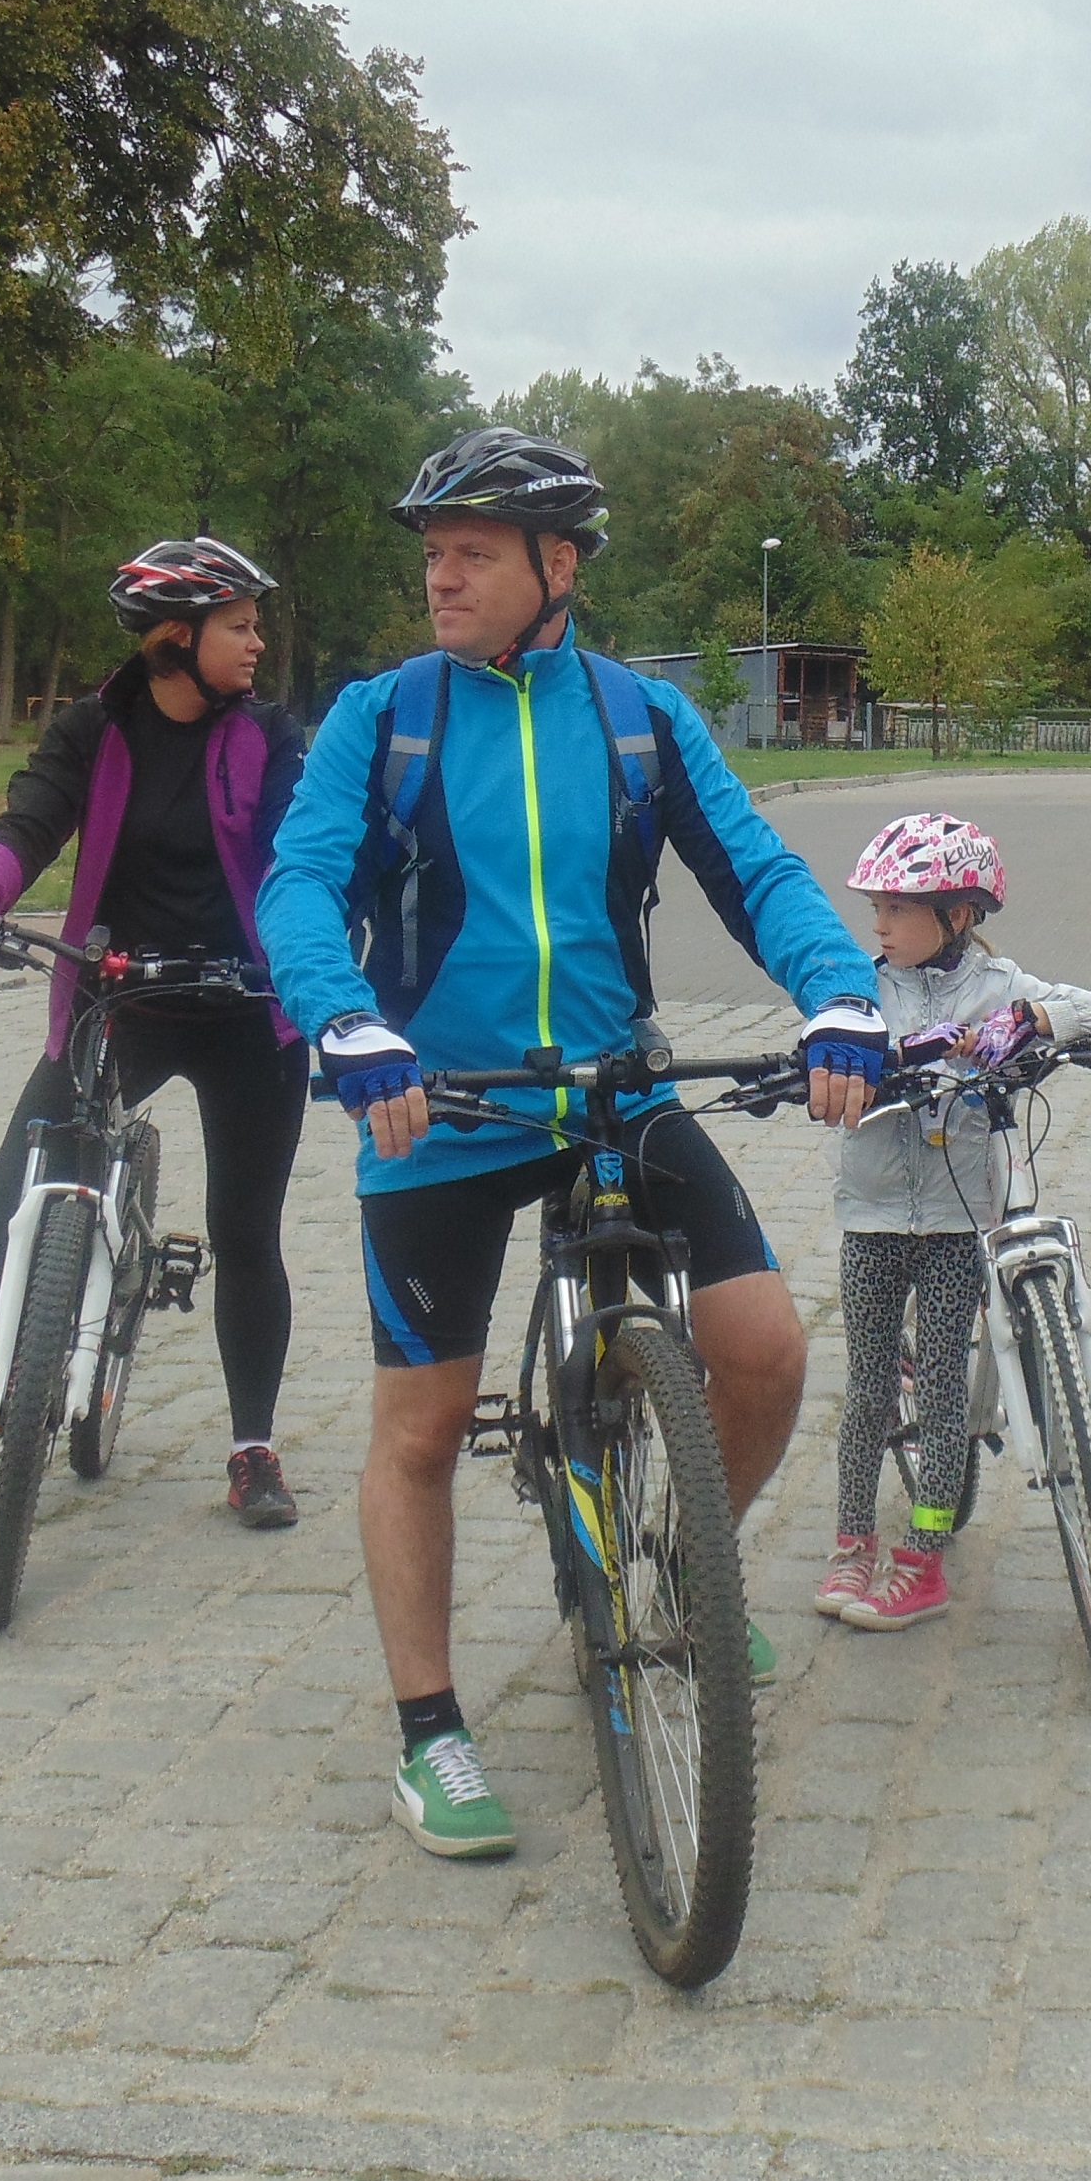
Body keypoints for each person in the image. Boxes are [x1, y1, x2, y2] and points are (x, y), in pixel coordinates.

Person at [257, 426, 887, 1860]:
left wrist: (841, 992)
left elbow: (757, 868)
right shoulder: (385, 716)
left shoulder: (637, 716)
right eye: (431, 553)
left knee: (769, 1352)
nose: (442, 577)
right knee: (419, 1428)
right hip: (438, 1102)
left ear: (562, 564)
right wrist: (348, 1023)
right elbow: (297, 880)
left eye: (471, 552)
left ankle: (674, 1571)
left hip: (613, 1089)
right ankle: (431, 1734)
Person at [0, 536, 313, 1529]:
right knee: (13, 1197)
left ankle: (251, 1446)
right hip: (118, 999)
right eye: (240, 624)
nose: (257, 640)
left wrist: (319, 956)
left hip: (242, 1008)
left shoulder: (268, 738)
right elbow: (28, 825)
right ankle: (23, 1356)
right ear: (173, 640)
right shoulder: (92, 728)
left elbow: (302, 855)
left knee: (246, 1231)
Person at [817, 812, 1091, 1633]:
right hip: (874, 1214)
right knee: (869, 1385)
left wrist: (1032, 1023)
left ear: (956, 916)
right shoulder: (858, 986)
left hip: (961, 1222)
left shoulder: (1000, 987)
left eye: (896, 909)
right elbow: (810, 1048)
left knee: (948, 1385)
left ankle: (922, 1557)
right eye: (875, 909)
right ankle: (852, 1540)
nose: (878, 924)